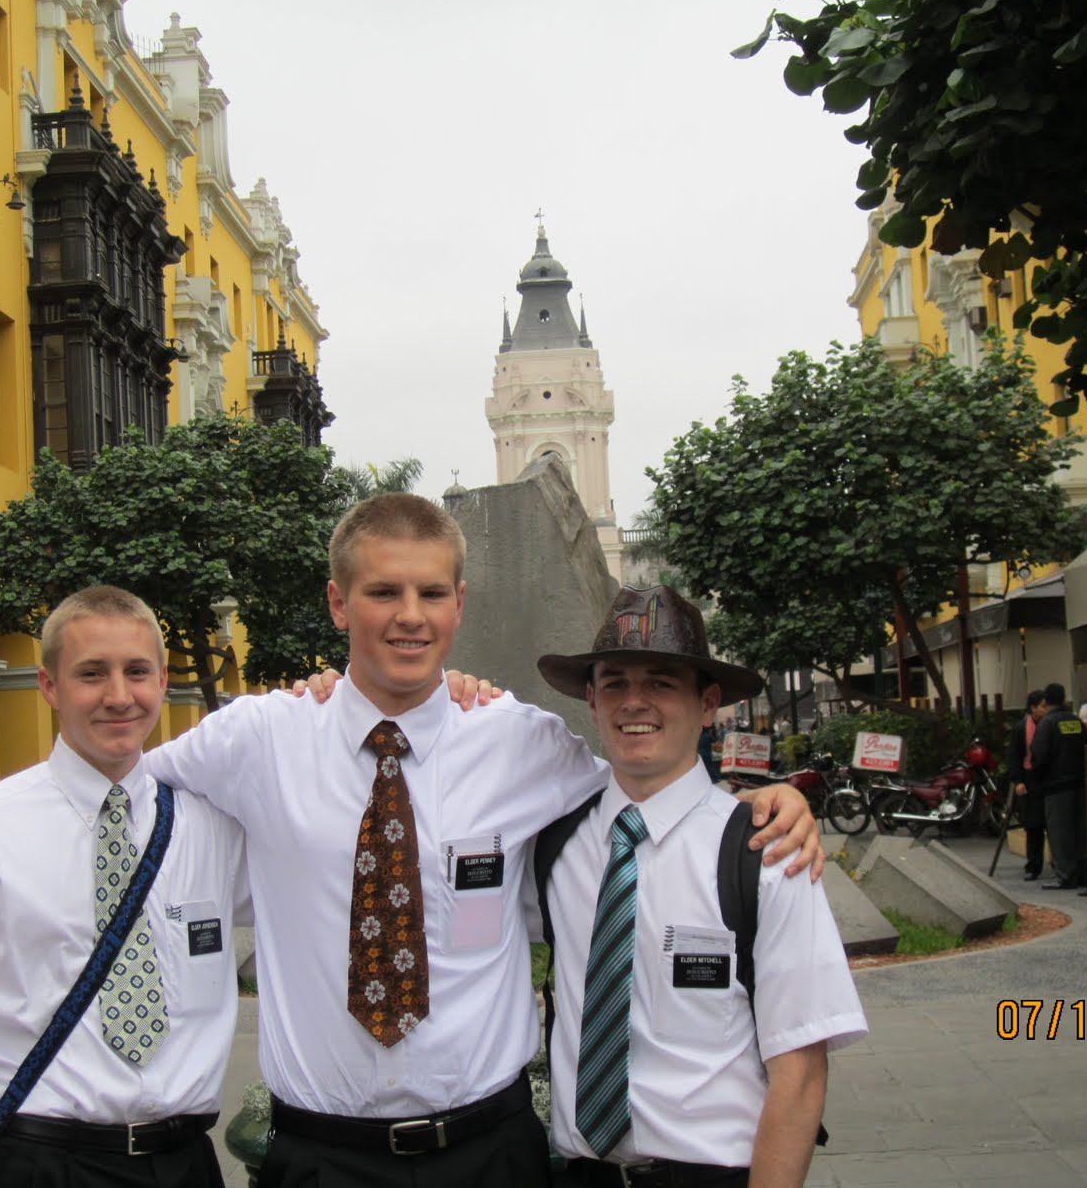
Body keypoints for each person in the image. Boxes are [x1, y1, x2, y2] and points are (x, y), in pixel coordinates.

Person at [107, 494, 820, 1186]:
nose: (410, 616)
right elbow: (124, 793)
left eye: (432, 593)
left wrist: (758, 802)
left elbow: (646, 785)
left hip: (488, 1150)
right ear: (338, 603)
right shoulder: (258, 738)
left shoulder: (519, 741)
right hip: (321, 1153)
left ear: (459, 604)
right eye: (384, 592)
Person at [0, 587, 249, 1188]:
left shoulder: (214, 829)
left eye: (137, 672)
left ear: (161, 680)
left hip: (184, 1161)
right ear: (49, 685)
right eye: (90, 674)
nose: (118, 696)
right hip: (38, 1160)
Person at [534, 586, 866, 1186]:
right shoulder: (555, 849)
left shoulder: (764, 853)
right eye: (614, 682)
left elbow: (801, 1072)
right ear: (590, 698)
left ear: (707, 702)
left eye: (661, 682)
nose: (634, 702)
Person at [1030, 682, 1087, 891]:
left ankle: (1065, 875)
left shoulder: (1046, 724)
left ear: (1046, 701)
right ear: (1064, 698)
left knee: (1059, 833)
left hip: (1056, 787)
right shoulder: (1076, 721)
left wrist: (1038, 781)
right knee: (1080, 830)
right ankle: (1084, 872)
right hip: (1080, 784)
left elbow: (1039, 756)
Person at [1006, 691, 1049, 881]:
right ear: (1032, 708)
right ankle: (1033, 865)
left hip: (1048, 778)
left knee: (1053, 824)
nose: (1045, 709)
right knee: (1033, 826)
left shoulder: (1050, 725)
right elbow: (1014, 756)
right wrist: (1018, 781)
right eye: (1042, 706)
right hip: (1029, 778)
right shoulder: (1021, 728)